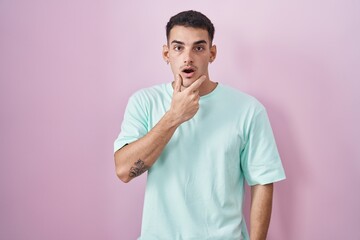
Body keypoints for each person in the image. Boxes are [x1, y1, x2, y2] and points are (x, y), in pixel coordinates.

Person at [114, 10, 286, 240]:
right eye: (178, 48)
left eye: (198, 47)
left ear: (212, 53)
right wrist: (173, 117)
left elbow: (263, 181)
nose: (188, 58)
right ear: (166, 53)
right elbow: (124, 171)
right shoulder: (144, 102)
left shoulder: (248, 110)